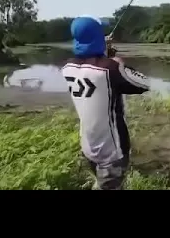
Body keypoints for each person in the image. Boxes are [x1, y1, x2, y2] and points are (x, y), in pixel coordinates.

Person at [61, 15, 150, 190]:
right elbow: (144, 84)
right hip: (111, 152)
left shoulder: (67, 67)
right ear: (96, 37)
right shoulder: (110, 68)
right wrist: (118, 61)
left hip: (88, 147)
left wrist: (104, 54)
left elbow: (93, 70)